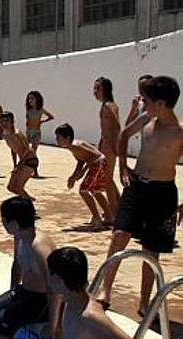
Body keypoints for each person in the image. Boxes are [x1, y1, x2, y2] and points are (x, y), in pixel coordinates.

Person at [96, 76, 183, 315]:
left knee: (151, 248)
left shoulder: (179, 132)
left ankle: (144, 302)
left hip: (163, 191)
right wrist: (123, 165)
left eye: (148, 100)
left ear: (162, 103)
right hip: (137, 186)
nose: (143, 103)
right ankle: (105, 289)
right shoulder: (147, 118)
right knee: (119, 234)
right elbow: (123, 135)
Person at [0, 197, 60, 339]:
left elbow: (55, 286)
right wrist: (12, 293)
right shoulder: (20, 236)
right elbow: (17, 265)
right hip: (22, 293)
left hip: (39, 301)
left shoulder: (39, 247)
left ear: (13, 224)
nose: (2, 224)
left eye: (3, 221)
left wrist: (53, 324)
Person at [55, 124, 112, 229]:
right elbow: (81, 161)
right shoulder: (72, 146)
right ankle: (109, 217)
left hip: (98, 163)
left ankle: (97, 217)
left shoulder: (76, 145)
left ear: (67, 138)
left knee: (84, 190)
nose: (57, 140)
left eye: (58, 137)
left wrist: (83, 172)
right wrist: (73, 176)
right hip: (98, 163)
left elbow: (94, 156)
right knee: (96, 190)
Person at [94, 77, 122, 218]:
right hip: (105, 145)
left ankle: (114, 213)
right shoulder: (106, 105)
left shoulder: (109, 106)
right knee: (108, 179)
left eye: (98, 88)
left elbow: (117, 126)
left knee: (107, 180)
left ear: (105, 89)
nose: (95, 91)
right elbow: (106, 128)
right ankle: (118, 207)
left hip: (110, 147)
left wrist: (115, 146)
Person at [0, 112, 38, 201]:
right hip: (22, 162)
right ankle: (28, 199)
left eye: (7, 121)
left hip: (30, 161)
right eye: (2, 121)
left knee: (17, 187)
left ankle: (28, 203)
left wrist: (20, 165)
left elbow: (27, 150)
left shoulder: (17, 134)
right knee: (11, 187)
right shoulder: (5, 134)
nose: (4, 123)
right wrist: (15, 164)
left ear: (12, 122)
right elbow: (13, 149)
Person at [24, 91, 54, 178]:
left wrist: (42, 121)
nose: (30, 100)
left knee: (33, 152)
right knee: (26, 151)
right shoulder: (28, 109)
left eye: (32, 98)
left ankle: (35, 171)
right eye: (29, 98)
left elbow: (51, 116)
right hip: (28, 131)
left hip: (36, 132)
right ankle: (27, 169)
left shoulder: (40, 110)